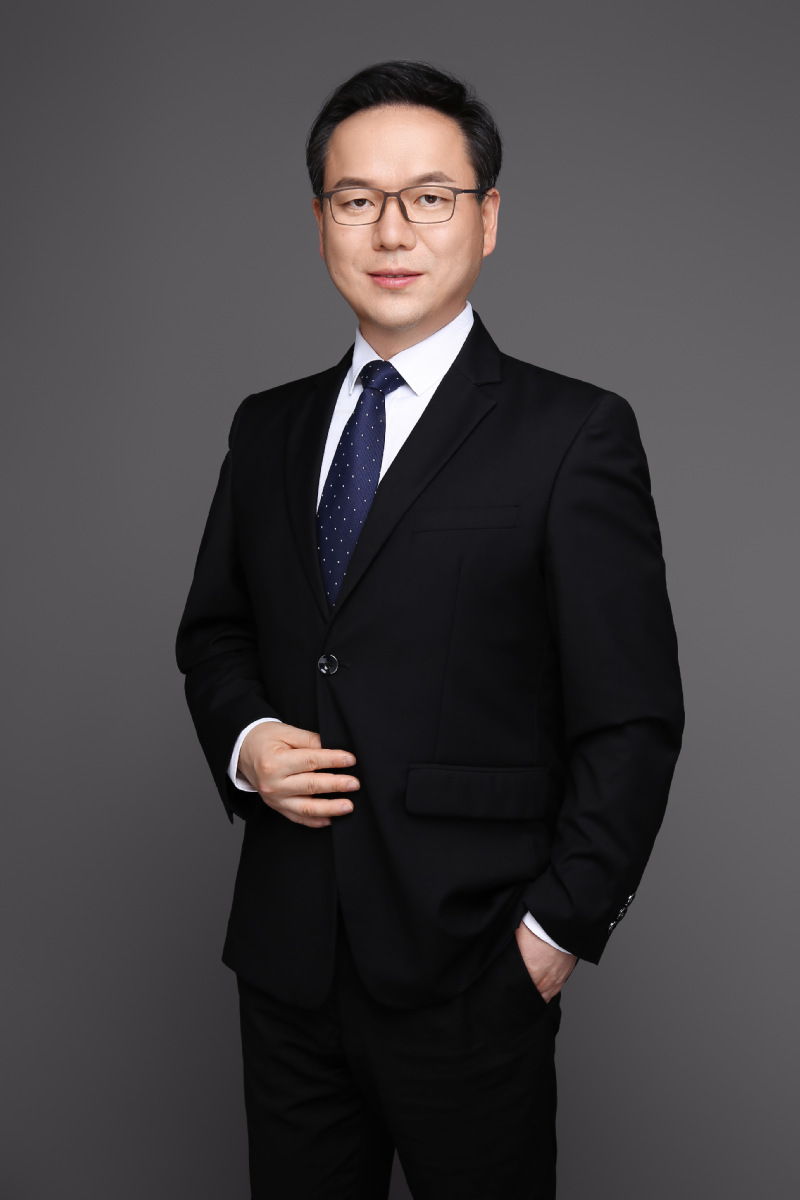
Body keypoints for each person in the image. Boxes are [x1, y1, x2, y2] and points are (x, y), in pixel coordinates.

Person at [175, 60, 684, 1200]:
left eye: (430, 197)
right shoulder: (266, 429)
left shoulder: (573, 434)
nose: (392, 230)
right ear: (320, 221)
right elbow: (216, 634)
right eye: (357, 199)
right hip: (287, 965)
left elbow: (633, 719)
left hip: (474, 965)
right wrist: (247, 739)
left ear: (486, 219)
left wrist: (553, 935)